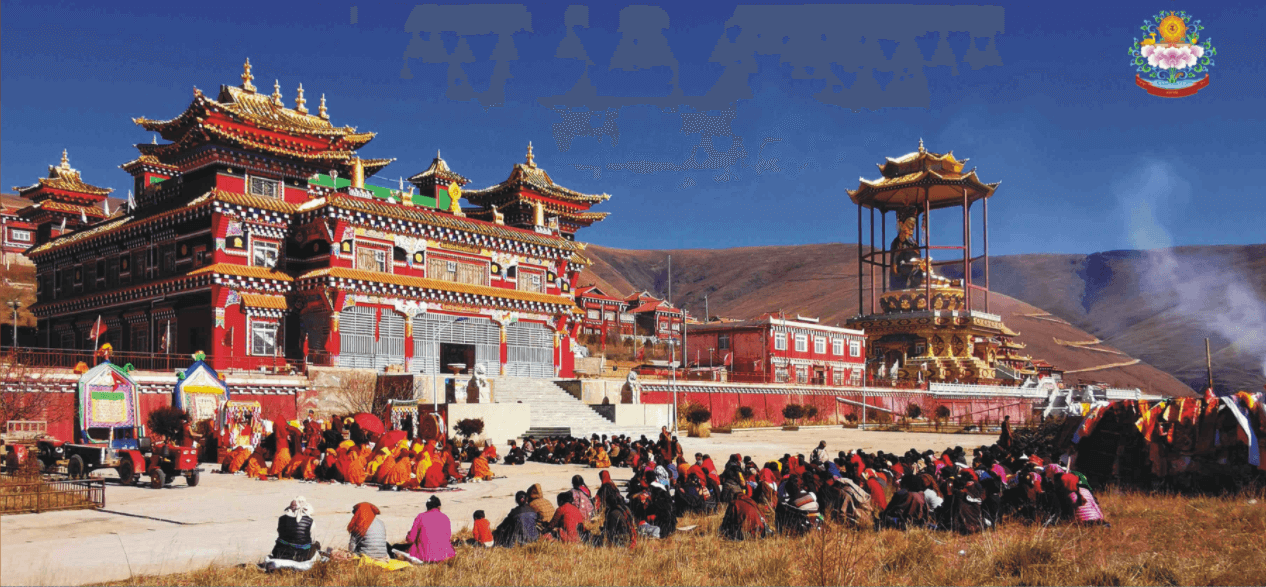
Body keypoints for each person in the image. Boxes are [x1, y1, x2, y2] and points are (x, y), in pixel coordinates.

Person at [404, 496, 455, 563]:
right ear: (439, 507)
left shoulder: (420, 517)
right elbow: (448, 537)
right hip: (445, 556)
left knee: (410, 547)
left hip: (424, 557)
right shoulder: (445, 517)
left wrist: (408, 535)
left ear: (427, 507)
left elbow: (411, 539)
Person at [270, 497, 320, 562]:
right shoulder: (310, 521)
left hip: (281, 552)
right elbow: (313, 539)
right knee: (315, 544)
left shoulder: (281, 519)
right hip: (302, 556)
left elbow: (280, 533)